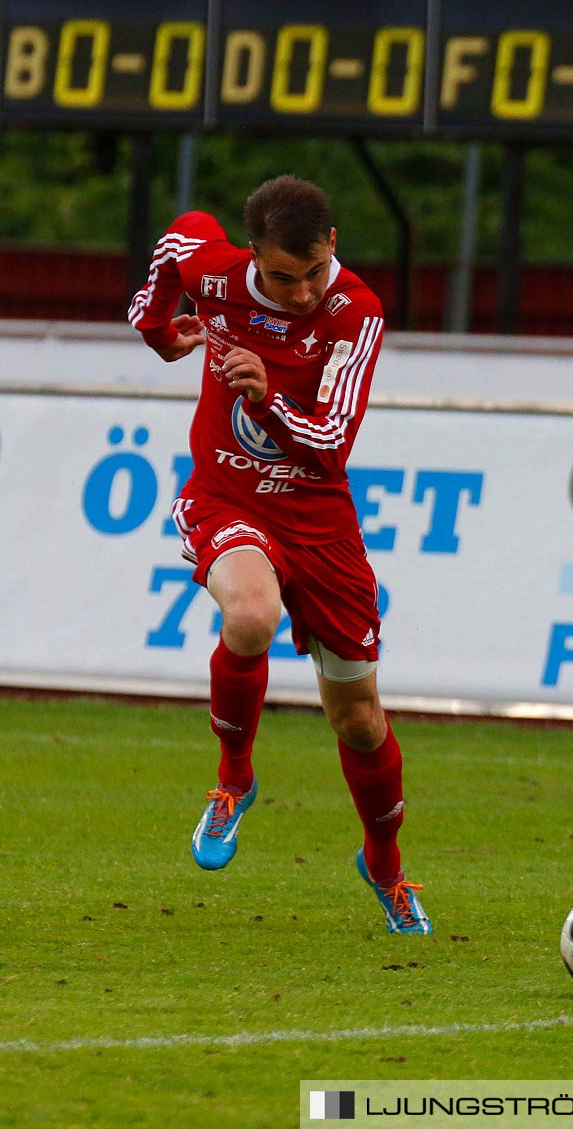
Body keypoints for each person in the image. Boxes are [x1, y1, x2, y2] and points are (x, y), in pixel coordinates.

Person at [127, 175, 429, 935]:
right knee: (252, 615)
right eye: (280, 277)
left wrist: (266, 396)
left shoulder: (355, 310)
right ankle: (234, 782)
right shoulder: (216, 269)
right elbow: (165, 268)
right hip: (226, 499)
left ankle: (385, 865)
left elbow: (331, 445)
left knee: (359, 719)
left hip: (319, 523)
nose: (299, 294)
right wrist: (166, 335)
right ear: (253, 253)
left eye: (312, 273)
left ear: (333, 245)